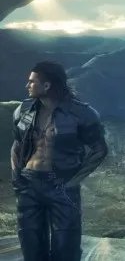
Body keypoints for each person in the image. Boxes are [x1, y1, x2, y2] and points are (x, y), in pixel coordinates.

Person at [11, 61, 108, 261]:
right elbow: (17, 145)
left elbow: (99, 149)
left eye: (32, 82)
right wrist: (17, 177)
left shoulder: (82, 114)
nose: (27, 85)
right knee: (31, 248)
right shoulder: (24, 109)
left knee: (66, 250)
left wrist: (72, 182)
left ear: (47, 85)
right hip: (29, 185)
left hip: (62, 187)